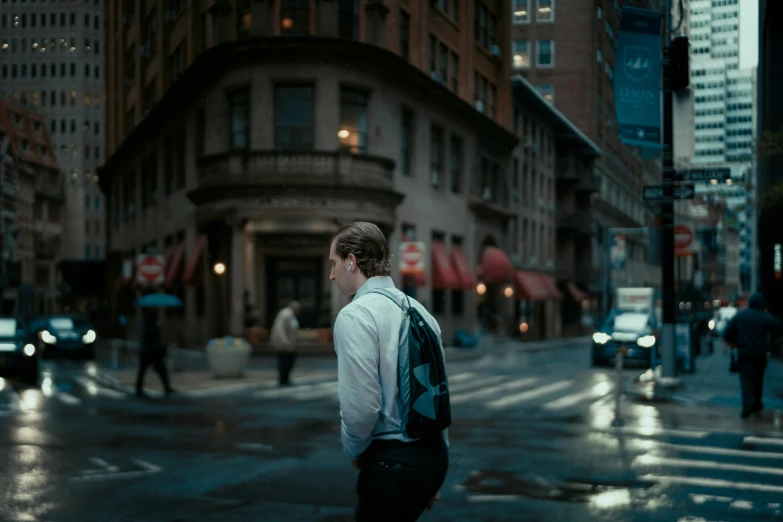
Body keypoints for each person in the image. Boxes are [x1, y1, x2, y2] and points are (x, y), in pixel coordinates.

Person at [329, 222, 448, 522]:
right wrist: (430, 469)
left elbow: (361, 410)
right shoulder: (422, 312)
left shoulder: (356, 315)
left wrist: (356, 453)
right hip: (432, 457)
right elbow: (437, 392)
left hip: (391, 463)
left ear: (351, 261)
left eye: (333, 263)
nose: (331, 274)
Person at [723, 292, 782, 419]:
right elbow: (778, 331)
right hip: (760, 353)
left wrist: (736, 344)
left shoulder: (740, 316)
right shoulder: (765, 317)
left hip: (744, 353)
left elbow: (727, 333)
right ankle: (756, 403)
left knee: (745, 379)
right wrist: (770, 346)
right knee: (758, 379)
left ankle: (746, 406)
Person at [136, 309, 174, 398]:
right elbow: (150, 337)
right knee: (146, 371)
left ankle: (166, 388)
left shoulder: (150, 324)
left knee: (159, 371)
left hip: (149, 351)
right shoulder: (149, 325)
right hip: (149, 352)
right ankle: (139, 389)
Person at [270, 300, 301, 386]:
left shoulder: (290, 315)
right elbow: (280, 328)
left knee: (289, 361)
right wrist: (284, 340)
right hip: (285, 345)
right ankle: (283, 380)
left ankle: (286, 378)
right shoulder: (285, 314)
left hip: (290, 344)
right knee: (284, 362)